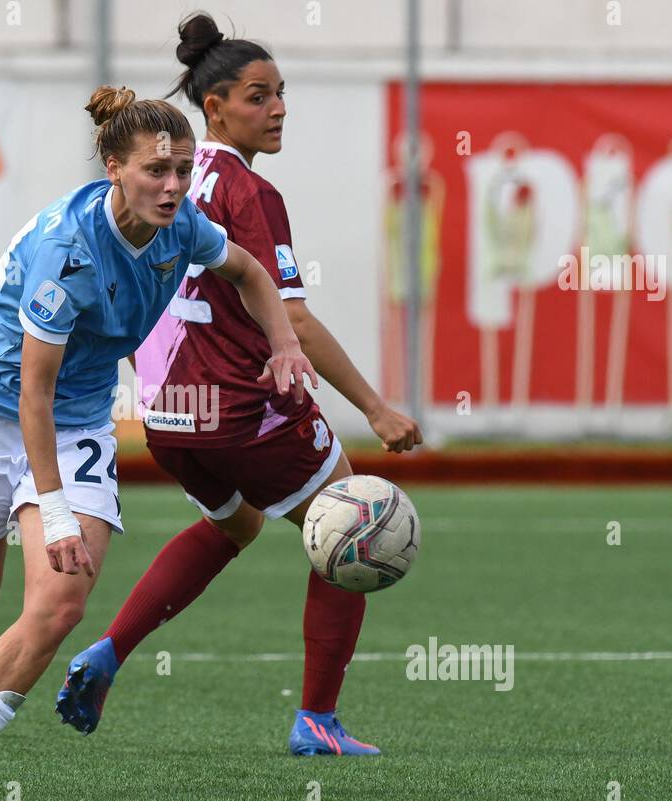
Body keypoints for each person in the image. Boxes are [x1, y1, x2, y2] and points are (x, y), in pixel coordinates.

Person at [0, 84, 318, 799]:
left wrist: (283, 346)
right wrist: (52, 513)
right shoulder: (68, 254)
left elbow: (248, 272)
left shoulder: (182, 225)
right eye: (156, 170)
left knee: (59, 605)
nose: (174, 185)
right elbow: (33, 395)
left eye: (182, 169)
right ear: (113, 167)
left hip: (79, 419)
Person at [55, 13, 422, 756]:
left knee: (237, 525)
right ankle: (317, 719)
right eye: (258, 96)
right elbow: (297, 320)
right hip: (238, 405)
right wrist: (377, 408)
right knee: (354, 519)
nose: (278, 108)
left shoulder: (160, 182)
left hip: (167, 416)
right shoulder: (249, 192)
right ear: (213, 105)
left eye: (281, 93)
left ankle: (110, 650)